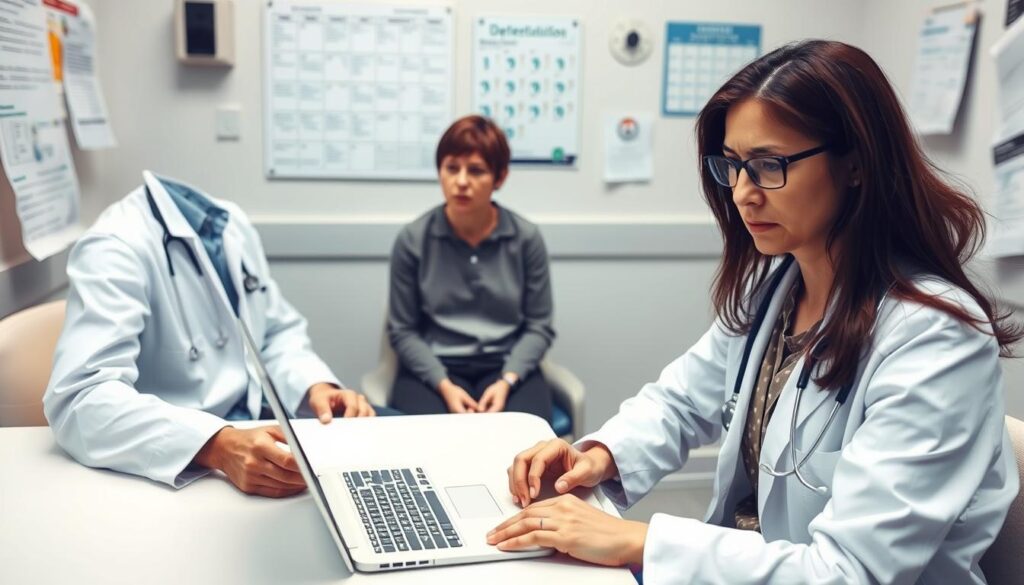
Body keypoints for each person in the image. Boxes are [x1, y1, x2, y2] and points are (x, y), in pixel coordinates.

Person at [487, 40, 1021, 584]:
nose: (743, 193)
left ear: (856, 164)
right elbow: (679, 402)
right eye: (734, 166)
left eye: (768, 165)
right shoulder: (776, 284)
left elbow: (848, 572)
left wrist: (639, 541)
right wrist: (600, 455)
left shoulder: (937, 340)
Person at [45, 170, 380, 498]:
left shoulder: (230, 224)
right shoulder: (114, 246)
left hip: (255, 433)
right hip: (178, 462)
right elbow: (80, 399)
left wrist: (314, 387)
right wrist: (216, 444)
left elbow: (274, 331)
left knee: (381, 451)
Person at [387, 115, 555, 422]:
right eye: (452, 168)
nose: (461, 181)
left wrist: (507, 380)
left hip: (506, 365)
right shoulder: (413, 239)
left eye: (476, 170)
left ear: (499, 177)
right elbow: (403, 331)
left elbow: (539, 326)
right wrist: (444, 384)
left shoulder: (526, 238)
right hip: (436, 366)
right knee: (430, 451)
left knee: (531, 447)